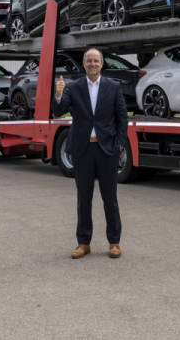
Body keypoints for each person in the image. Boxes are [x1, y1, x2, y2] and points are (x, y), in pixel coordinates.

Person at [53, 48, 128, 259]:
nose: (92, 64)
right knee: (83, 198)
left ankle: (114, 242)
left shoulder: (113, 87)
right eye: (89, 61)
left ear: (101, 64)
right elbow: (59, 111)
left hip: (106, 150)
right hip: (83, 150)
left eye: (96, 61)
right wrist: (58, 94)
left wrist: (119, 144)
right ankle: (83, 242)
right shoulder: (74, 87)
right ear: (84, 64)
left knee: (109, 198)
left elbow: (122, 118)